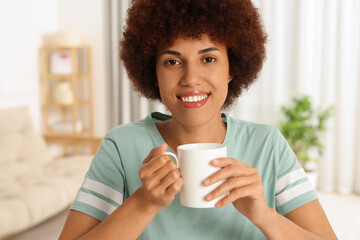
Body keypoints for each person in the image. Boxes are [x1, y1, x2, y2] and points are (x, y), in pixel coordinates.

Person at [59, 0, 337, 239]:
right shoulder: (121, 146)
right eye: (172, 61)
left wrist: (264, 215)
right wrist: (144, 203)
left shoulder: (268, 144)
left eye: (208, 59)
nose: (191, 78)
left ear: (232, 68)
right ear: (153, 73)